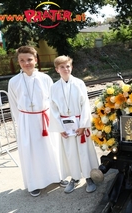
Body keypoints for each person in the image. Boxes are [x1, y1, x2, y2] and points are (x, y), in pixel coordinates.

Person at [8, 46, 66, 197]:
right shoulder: (14, 82)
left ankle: (57, 177)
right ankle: (34, 184)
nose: (26, 63)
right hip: (26, 120)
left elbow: (53, 101)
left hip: (45, 119)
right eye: (22, 60)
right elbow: (14, 105)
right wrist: (22, 123)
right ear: (18, 61)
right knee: (31, 152)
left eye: (29, 59)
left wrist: (56, 120)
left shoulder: (45, 78)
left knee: (51, 148)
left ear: (35, 60)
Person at [49, 55, 99, 194]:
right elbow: (53, 109)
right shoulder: (54, 87)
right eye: (62, 67)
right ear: (57, 69)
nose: (66, 69)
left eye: (68, 66)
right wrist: (59, 128)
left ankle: (89, 177)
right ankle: (75, 178)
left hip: (79, 123)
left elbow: (85, 106)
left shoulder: (79, 83)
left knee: (83, 151)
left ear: (72, 67)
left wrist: (83, 125)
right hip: (66, 125)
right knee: (70, 153)